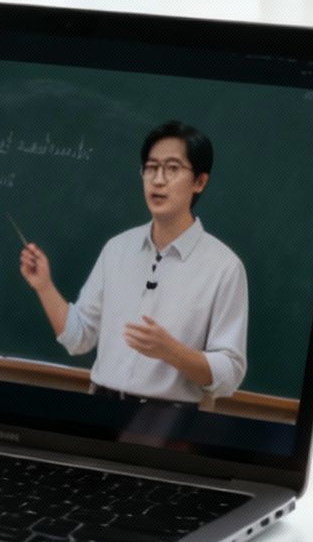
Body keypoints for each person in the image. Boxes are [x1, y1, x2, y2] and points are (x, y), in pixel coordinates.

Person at [17, 121, 249, 409]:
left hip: (169, 420)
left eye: (173, 168)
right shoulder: (117, 248)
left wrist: (172, 352)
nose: (158, 180)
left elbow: (230, 375)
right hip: (100, 405)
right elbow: (79, 338)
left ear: (200, 181)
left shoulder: (224, 267)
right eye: (151, 168)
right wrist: (44, 286)